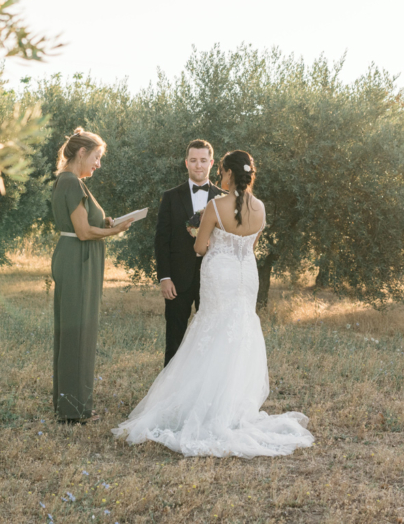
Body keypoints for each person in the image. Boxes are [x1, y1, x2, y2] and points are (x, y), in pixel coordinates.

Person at [114, 151, 314, 457]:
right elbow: (252, 245)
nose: (219, 176)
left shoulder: (215, 205)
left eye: (220, 170)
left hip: (219, 272)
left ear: (229, 174)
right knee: (240, 332)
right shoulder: (260, 207)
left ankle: (199, 406)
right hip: (246, 274)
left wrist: (202, 234)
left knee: (212, 327)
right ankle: (231, 406)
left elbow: (200, 246)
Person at [51, 128, 135, 423]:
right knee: (78, 332)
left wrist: (108, 221)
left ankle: (70, 404)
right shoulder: (72, 182)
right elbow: (84, 232)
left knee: (75, 330)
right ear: (82, 153)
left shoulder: (71, 182)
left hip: (76, 257)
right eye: (97, 157)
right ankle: (74, 410)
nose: (98, 164)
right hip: (78, 258)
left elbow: (86, 222)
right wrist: (114, 230)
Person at [154, 139, 224, 365]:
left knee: (211, 339)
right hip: (177, 280)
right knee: (174, 340)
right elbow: (162, 240)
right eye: (193, 161)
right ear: (186, 163)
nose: (198, 166)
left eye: (203, 161)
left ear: (211, 163)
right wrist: (165, 277)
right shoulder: (171, 197)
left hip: (212, 278)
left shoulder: (224, 198)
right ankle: (167, 395)